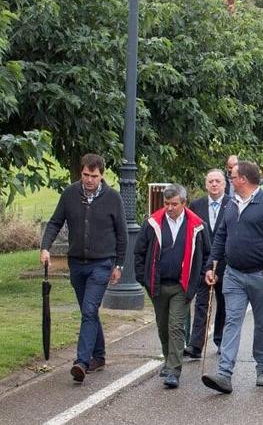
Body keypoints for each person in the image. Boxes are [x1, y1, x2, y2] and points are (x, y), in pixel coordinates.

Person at [202, 161, 263, 394]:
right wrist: (211, 265)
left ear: (243, 179)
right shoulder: (230, 204)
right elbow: (221, 235)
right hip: (233, 275)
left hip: (260, 275)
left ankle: (262, 367)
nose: (229, 180)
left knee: (262, 324)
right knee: (232, 321)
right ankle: (224, 373)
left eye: (232, 177)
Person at [40, 153, 126, 383]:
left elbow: (122, 233)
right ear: (81, 173)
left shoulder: (113, 198)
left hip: (102, 263)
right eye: (86, 175)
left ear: (102, 176)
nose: (89, 180)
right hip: (77, 263)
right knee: (89, 311)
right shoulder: (70, 194)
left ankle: (82, 361)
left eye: (94, 176)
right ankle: (99, 355)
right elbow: (56, 222)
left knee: (89, 310)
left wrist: (119, 264)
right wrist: (45, 247)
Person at [133, 184, 209, 389]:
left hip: (181, 286)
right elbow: (139, 253)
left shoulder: (197, 226)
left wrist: (200, 277)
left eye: (174, 204)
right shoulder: (152, 224)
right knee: (163, 326)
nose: (169, 208)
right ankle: (168, 361)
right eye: (167, 204)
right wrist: (144, 280)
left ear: (183, 203)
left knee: (176, 326)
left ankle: (174, 370)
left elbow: (207, 255)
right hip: (157, 285)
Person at [186, 169, 232, 359]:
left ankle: (221, 340)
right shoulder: (196, 205)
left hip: (225, 263)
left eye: (218, 181)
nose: (214, 184)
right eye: (211, 181)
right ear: (206, 184)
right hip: (203, 263)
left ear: (224, 184)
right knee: (202, 303)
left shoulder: (232, 204)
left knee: (224, 304)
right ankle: (196, 344)